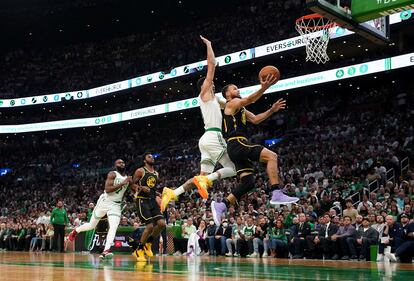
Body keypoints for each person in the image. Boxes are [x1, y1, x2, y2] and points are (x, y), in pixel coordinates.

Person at [160, 35, 236, 213]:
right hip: (213, 136)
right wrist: (209, 45)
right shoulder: (205, 94)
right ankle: (204, 181)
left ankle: (173, 192)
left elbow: (236, 107)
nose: (214, 83)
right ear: (205, 86)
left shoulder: (215, 99)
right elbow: (212, 65)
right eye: (211, 82)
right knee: (232, 168)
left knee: (201, 177)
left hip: (205, 140)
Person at [210, 75, 298, 225]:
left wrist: (271, 110)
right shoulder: (231, 103)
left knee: (248, 182)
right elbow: (250, 100)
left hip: (235, 147)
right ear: (227, 94)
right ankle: (276, 191)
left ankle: (222, 204)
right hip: (237, 143)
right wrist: (264, 87)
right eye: (234, 88)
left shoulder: (239, 108)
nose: (238, 90)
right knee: (272, 156)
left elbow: (256, 119)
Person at [68, 159, 132, 259]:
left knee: (113, 227)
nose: (122, 164)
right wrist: (123, 183)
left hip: (115, 205)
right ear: (115, 165)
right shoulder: (112, 174)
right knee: (91, 226)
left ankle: (106, 250)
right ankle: (76, 231)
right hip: (105, 201)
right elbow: (108, 189)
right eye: (119, 163)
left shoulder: (127, 178)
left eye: (123, 162)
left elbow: (132, 188)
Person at [131, 153, 167, 262]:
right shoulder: (140, 171)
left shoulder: (156, 173)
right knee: (150, 226)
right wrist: (141, 188)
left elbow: (152, 188)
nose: (152, 158)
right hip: (142, 200)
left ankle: (148, 243)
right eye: (149, 157)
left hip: (152, 200)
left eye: (152, 156)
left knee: (161, 224)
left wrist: (157, 194)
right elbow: (132, 185)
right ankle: (139, 249)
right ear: (144, 160)